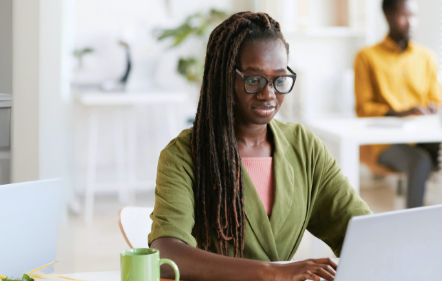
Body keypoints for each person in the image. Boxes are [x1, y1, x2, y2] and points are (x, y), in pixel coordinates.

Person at [148, 12, 372, 281]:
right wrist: (273, 272)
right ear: (225, 78)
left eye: (279, 80)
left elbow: (362, 232)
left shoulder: (304, 146)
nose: (269, 94)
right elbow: (166, 255)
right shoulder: (184, 154)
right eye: (254, 80)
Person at [354, 0, 442, 208]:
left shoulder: (427, 57)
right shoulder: (366, 57)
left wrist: (431, 109)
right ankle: (412, 234)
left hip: (423, 136)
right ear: (388, 17)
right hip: (384, 142)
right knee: (419, 162)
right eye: (404, 16)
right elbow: (363, 108)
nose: (411, 22)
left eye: (414, 16)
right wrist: (399, 113)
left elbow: (436, 100)